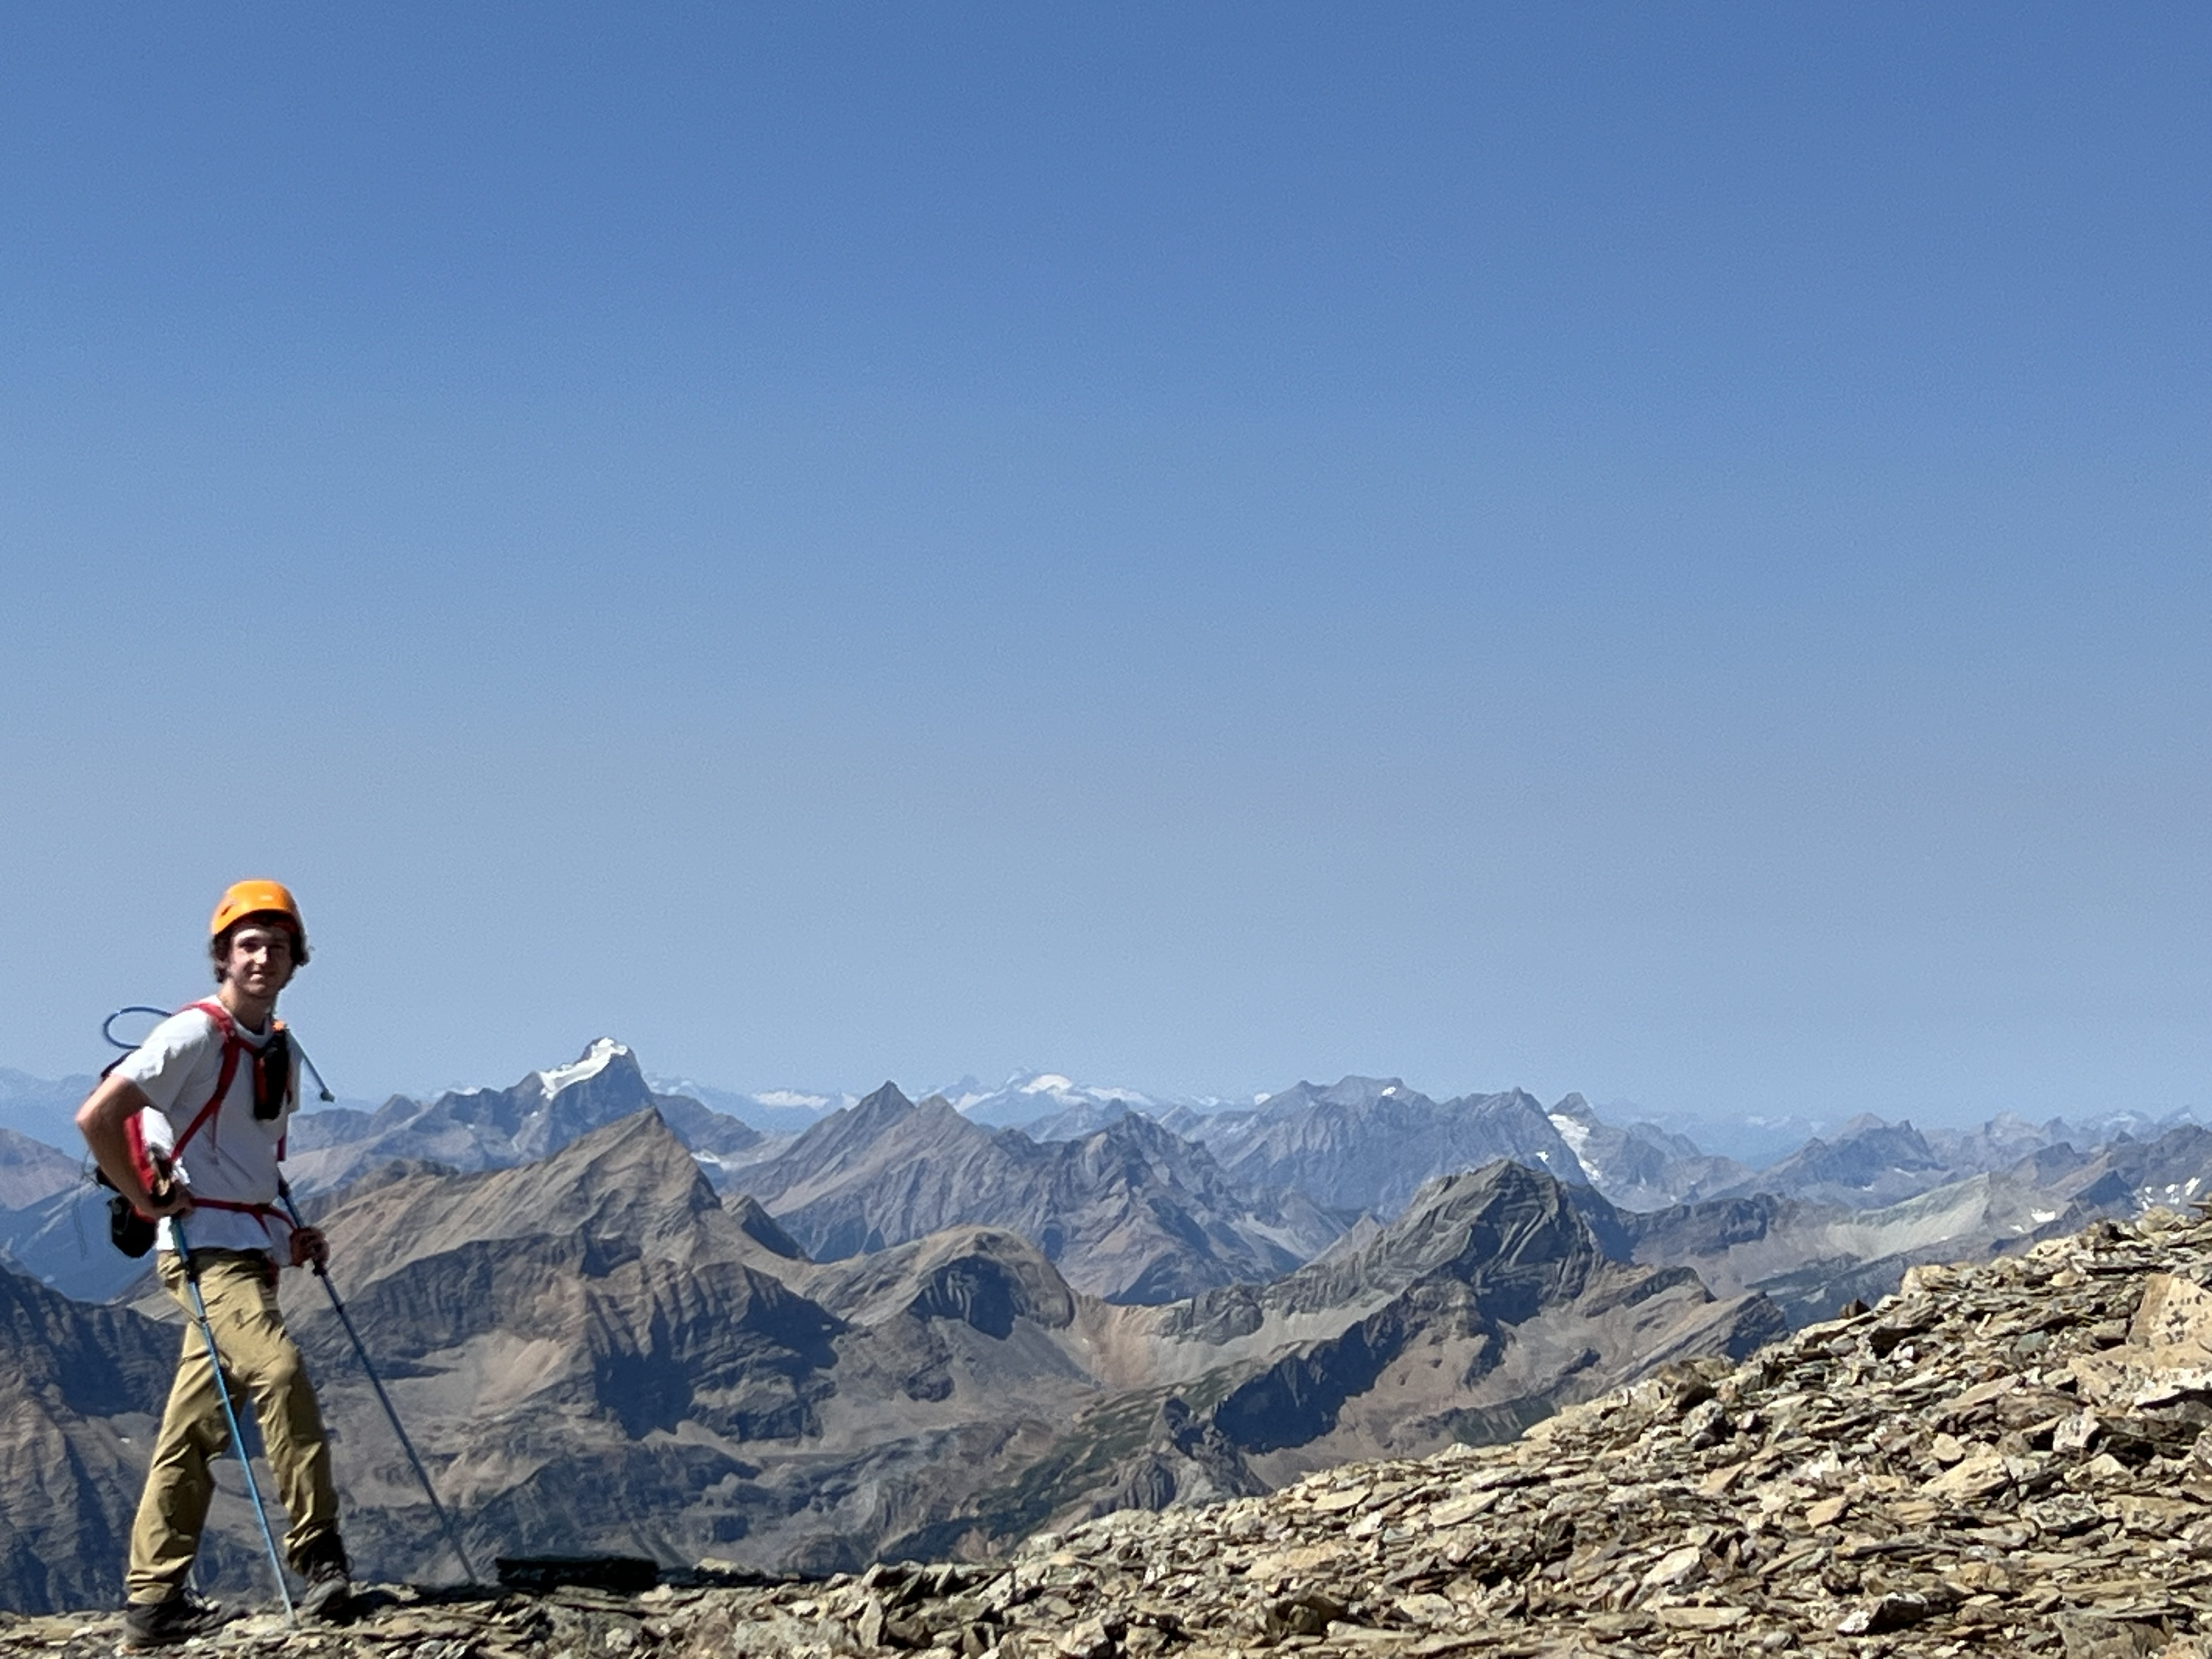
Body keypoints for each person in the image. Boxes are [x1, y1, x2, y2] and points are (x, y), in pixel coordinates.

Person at [75, 879, 351, 1645]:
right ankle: (319, 1552)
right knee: (281, 1371)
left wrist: (293, 1230)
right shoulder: (192, 1036)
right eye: (249, 944)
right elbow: (98, 1119)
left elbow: (257, 1160)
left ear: (298, 958)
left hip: (249, 1249)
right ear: (223, 957)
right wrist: (146, 1199)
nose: (263, 956)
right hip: (204, 1254)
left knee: (192, 1426)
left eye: (277, 944)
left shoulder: (278, 1047)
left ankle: (153, 1601)